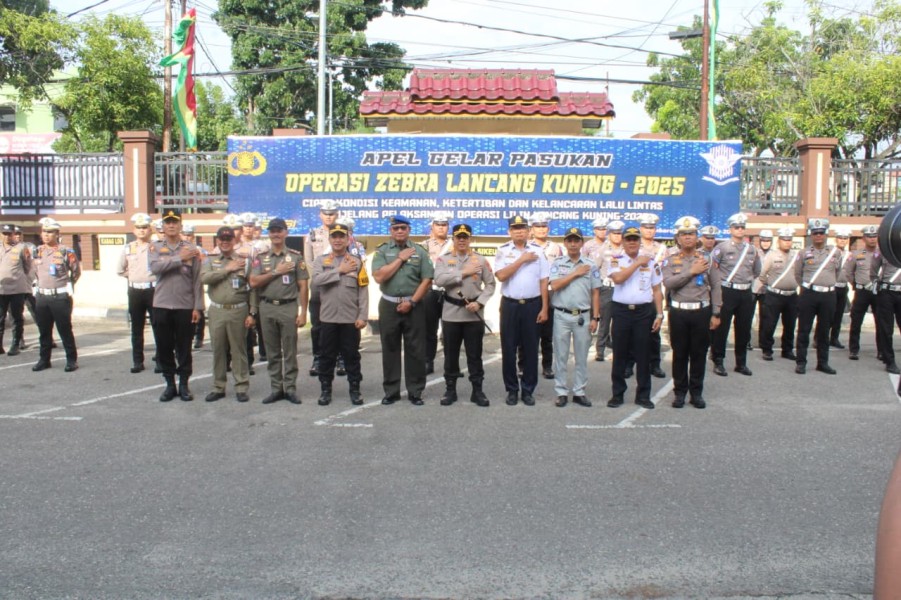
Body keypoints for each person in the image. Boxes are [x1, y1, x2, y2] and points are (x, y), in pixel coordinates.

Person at [372, 215, 434, 405]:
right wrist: (400, 259)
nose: (399, 231)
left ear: (409, 230)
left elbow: (427, 280)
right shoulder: (382, 251)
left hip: (413, 305)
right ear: (391, 231)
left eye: (403, 228)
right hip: (389, 305)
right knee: (390, 348)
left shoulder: (420, 251)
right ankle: (391, 391)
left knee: (415, 349)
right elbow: (379, 277)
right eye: (396, 228)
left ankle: (415, 391)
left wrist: (412, 302)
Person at [433, 223, 496, 407]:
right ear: (453, 239)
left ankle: (477, 391)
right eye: (458, 237)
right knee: (451, 355)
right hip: (451, 314)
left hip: (473, 315)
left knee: (474, 355)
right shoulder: (443, 260)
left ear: (470, 239)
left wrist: (480, 302)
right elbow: (439, 280)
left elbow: (491, 284)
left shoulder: (481, 260)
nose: (462, 240)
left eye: (465, 237)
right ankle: (450, 390)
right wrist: (463, 273)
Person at [661, 216, 721, 408]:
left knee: (698, 354)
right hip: (679, 313)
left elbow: (717, 286)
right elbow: (669, 283)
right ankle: (679, 393)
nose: (688, 237)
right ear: (677, 238)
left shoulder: (707, 260)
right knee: (679, 354)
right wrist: (692, 272)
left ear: (697, 237)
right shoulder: (670, 260)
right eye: (684, 234)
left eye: (691, 234)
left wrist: (716, 313)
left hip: (701, 312)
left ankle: (696, 393)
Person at [250, 218, 309, 405]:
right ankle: (276, 388)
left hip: (288, 307)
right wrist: (276, 271)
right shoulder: (260, 257)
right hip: (266, 307)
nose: (276, 234)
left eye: (279, 230)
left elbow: (303, 286)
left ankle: (290, 388)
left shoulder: (295, 257)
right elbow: (253, 282)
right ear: (269, 233)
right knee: (272, 351)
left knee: (290, 350)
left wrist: (303, 312)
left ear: (286, 233)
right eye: (272, 230)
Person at [311, 222, 369, 406]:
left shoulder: (357, 262)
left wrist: (363, 316)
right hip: (328, 318)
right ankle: (325, 390)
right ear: (329, 239)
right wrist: (339, 271)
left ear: (347, 239)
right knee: (326, 356)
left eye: (341, 236)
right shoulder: (321, 261)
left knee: (352, 356)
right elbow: (317, 280)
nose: (337, 240)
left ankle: (355, 389)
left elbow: (363, 291)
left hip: (350, 319)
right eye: (334, 236)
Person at [149, 209, 204, 400]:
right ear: (162, 227)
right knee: (164, 346)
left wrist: (198, 307)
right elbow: (155, 268)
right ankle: (169, 384)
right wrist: (179, 258)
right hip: (162, 305)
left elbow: (197, 280)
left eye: (175, 222)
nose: (171, 225)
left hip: (185, 306)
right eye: (168, 222)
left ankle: (184, 385)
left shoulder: (192, 249)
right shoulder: (155, 247)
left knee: (184, 347)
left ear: (180, 225)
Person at [607, 226, 664, 409]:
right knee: (620, 354)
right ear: (623, 241)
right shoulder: (615, 260)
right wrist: (638, 263)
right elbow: (618, 279)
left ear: (640, 241)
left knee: (643, 354)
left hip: (643, 312)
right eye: (628, 239)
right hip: (622, 311)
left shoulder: (651, 261)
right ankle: (617, 394)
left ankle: (643, 395)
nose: (632, 242)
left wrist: (660, 314)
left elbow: (657, 290)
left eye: (635, 239)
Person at [495, 215, 549, 406]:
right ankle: (511, 389)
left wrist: (544, 307)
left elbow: (544, 281)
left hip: (532, 305)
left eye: (522, 228)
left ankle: (528, 390)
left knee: (531, 349)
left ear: (528, 231)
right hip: (510, 305)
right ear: (509, 231)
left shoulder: (539, 251)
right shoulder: (503, 251)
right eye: (515, 228)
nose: (519, 231)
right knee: (509, 349)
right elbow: (501, 275)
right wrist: (522, 260)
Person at [200, 226, 256, 403]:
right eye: (222, 239)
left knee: (238, 350)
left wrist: (252, 312)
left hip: (238, 310)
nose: (225, 242)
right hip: (217, 310)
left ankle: (241, 386)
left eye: (228, 239)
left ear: (234, 241)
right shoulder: (210, 260)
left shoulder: (244, 261)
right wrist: (227, 269)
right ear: (217, 241)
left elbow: (253, 288)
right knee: (218, 350)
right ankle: (218, 387)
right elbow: (204, 279)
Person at [549, 227, 601, 407]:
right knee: (561, 355)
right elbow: (554, 285)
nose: (572, 244)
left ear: (581, 243)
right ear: (564, 243)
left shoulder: (591, 264)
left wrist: (595, 317)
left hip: (583, 316)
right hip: (561, 315)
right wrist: (575, 273)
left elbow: (595, 292)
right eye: (569, 240)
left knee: (581, 356)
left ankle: (579, 391)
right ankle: (561, 391)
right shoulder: (558, 263)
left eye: (576, 240)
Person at [710, 212, 761, 377]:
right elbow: (713, 269)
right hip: (727, 290)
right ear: (730, 229)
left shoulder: (752, 249)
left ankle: (741, 363)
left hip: (745, 291)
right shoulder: (722, 248)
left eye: (742, 227)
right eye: (736, 227)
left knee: (744, 328)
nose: (740, 230)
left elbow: (757, 270)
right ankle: (718, 361)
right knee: (722, 328)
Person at [31, 218, 81, 372]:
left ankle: (71, 360)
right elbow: (33, 271)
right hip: (42, 297)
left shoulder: (66, 251)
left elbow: (76, 272)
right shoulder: (37, 251)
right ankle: (44, 360)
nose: (46, 234)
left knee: (64, 329)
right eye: (44, 231)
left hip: (59, 297)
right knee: (44, 331)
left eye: (50, 231)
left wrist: (67, 286)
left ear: (57, 233)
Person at [794, 218, 842, 375]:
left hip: (828, 294)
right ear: (811, 235)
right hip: (809, 294)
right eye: (815, 233)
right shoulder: (803, 253)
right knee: (804, 329)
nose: (818, 236)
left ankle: (823, 363)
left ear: (826, 234)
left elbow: (838, 272)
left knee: (824, 331)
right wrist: (807, 286)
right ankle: (801, 362)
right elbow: (798, 274)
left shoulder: (835, 253)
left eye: (821, 233)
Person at [117, 213, 157, 373]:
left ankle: (161, 359)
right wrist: (134, 276)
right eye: (139, 227)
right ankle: (137, 361)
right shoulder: (128, 248)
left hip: (154, 290)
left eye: (145, 227)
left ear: (150, 229)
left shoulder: (158, 247)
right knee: (137, 328)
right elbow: (120, 270)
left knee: (158, 326)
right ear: (134, 230)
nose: (142, 230)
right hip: (135, 291)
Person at [305, 199, 340, 377]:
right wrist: (325, 276)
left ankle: (340, 357)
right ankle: (318, 358)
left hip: (340, 286)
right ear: (320, 215)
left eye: (332, 213)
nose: (328, 216)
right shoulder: (312, 235)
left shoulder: (344, 233)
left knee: (341, 322)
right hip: (319, 286)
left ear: (337, 214)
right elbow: (309, 262)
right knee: (317, 325)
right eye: (325, 213)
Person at [529, 212, 563, 379]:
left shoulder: (556, 248)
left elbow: (563, 269)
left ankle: (547, 366)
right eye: (538, 226)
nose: (541, 229)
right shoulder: (527, 247)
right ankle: (524, 366)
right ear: (532, 229)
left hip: (550, 291)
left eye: (543, 226)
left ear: (548, 228)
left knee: (547, 334)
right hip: (531, 292)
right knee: (527, 333)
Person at [757, 227, 799, 361]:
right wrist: (772, 284)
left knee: (790, 324)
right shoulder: (772, 255)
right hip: (774, 294)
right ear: (779, 241)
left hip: (792, 295)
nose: (787, 242)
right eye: (784, 240)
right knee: (770, 323)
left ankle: (787, 350)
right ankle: (767, 349)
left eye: (789, 240)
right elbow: (762, 275)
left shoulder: (796, 255)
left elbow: (800, 273)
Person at [420, 212, 454, 375]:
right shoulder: (422, 246)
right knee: (429, 329)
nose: (441, 227)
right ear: (432, 226)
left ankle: (450, 362)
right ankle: (428, 361)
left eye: (444, 224)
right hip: (430, 291)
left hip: (450, 291)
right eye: (438, 224)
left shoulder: (456, 244)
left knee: (449, 329)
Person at [636, 213, 667, 379]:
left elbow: (667, 272)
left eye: (652, 228)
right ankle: (629, 364)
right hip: (636, 294)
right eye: (646, 227)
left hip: (654, 293)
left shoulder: (662, 249)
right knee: (632, 333)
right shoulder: (633, 246)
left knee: (654, 332)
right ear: (641, 229)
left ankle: (655, 364)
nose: (649, 231)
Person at [235, 212, 268, 369]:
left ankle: (262, 352)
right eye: (245, 226)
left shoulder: (263, 245)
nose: (248, 229)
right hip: (239, 290)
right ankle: (243, 360)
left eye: (251, 226)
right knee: (242, 326)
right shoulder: (235, 245)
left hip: (258, 289)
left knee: (260, 322)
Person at [847, 225, 883, 363]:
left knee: (880, 322)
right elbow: (848, 272)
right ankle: (854, 349)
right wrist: (855, 285)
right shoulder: (856, 254)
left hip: (878, 292)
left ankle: (881, 350)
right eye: (869, 236)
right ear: (864, 238)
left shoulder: (882, 254)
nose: (872, 239)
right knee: (856, 321)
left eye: (874, 236)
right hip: (862, 292)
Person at [593, 219, 624, 361]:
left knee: (620, 323)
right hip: (607, 288)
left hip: (622, 289)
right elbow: (595, 270)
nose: (617, 236)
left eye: (619, 233)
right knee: (604, 321)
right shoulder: (603, 250)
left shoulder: (626, 250)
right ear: (609, 234)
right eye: (614, 233)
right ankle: (600, 350)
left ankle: (619, 350)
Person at [0, 223, 33, 357]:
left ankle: (15, 344)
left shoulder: (21, 248)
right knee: (0, 318)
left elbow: (27, 267)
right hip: (1, 289)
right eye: (5, 234)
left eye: (10, 234)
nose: (7, 236)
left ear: (15, 234)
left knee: (16, 317)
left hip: (17, 289)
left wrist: (20, 280)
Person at [874, 235, 901, 376]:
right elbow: (873, 270)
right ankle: (889, 361)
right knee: (886, 328)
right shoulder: (885, 250)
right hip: (887, 292)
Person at [181, 223, 207, 350]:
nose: (187, 238)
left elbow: (206, 264)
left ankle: (199, 337)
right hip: (184, 284)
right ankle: (189, 336)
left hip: (197, 280)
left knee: (199, 309)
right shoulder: (179, 250)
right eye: (184, 235)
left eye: (189, 235)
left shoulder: (199, 250)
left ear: (193, 236)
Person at [750, 229, 773, 351]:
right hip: (753, 288)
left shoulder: (774, 254)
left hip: (766, 289)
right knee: (748, 316)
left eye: (768, 241)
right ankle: (746, 341)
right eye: (763, 240)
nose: (765, 243)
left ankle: (763, 343)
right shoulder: (753, 252)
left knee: (765, 318)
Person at [829, 227, 852, 349]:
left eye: (845, 238)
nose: (842, 240)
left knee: (838, 315)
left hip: (843, 287)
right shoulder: (830, 253)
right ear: (836, 239)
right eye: (840, 238)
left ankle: (834, 338)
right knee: (828, 314)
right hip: (832, 287)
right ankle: (819, 338)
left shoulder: (850, 255)